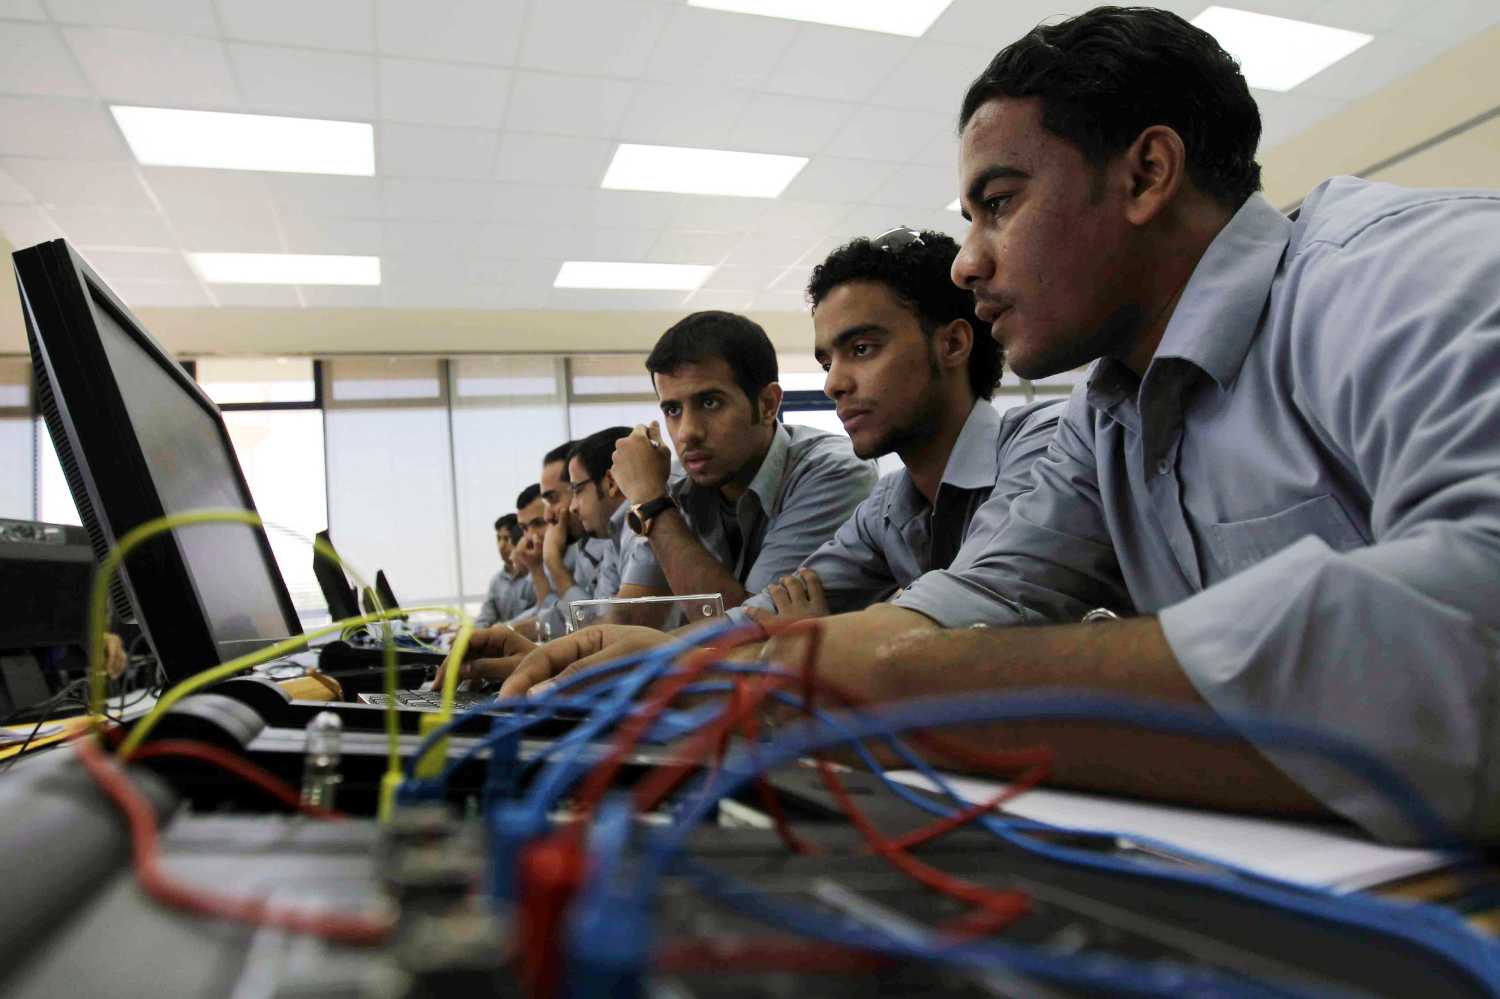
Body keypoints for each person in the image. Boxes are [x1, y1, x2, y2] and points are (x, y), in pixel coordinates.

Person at [477, 6, 1500, 845]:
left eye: (997, 205)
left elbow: (1470, 634)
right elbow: (974, 599)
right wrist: (679, 663)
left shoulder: (1410, 279)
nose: (967, 262)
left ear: (1146, 173)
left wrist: (846, 671)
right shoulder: (1109, 415)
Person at [732, 227, 1061, 623]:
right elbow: (762, 615)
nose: (833, 384)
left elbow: (965, 621)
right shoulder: (887, 506)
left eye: (862, 349)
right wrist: (657, 647)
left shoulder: (1044, 449)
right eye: (827, 363)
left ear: (953, 344)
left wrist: (816, 643)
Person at [609, 310, 878, 608]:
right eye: (673, 411)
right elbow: (633, 617)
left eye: (710, 403)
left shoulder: (835, 470)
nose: (687, 433)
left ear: (767, 405)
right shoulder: (672, 486)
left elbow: (746, 629)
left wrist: (654, 506)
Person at [473, 513, 534, 629]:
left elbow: (541, 615)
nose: (501, 546)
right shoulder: (496, 581)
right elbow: (485, 618)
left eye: (507, 539)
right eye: (498, 539)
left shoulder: (536, 576)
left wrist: (501, 629)